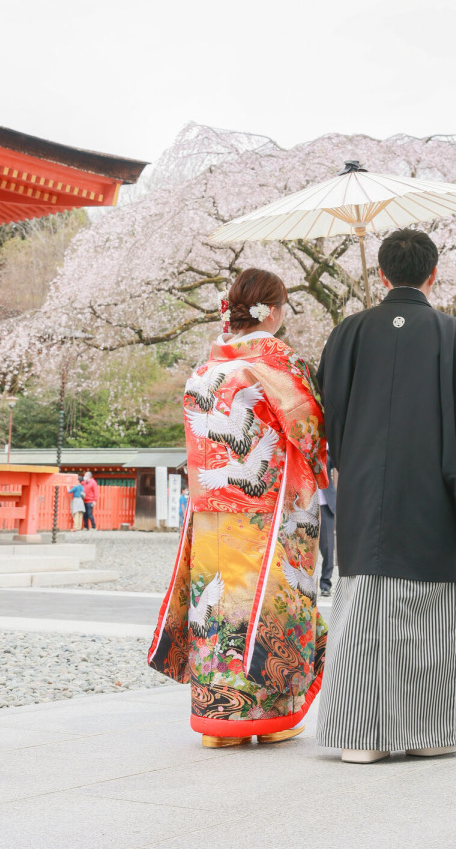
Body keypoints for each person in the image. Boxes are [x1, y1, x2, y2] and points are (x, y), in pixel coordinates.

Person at [316, 228, 456, 764]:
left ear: (381, 274)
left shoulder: (348, 333)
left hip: (364, 493)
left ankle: (361, 736)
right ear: (433, 273)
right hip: (435, 491)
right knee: (434, 609)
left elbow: (327, 410)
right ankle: (435, 731)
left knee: (363, 605)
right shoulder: (452, 334)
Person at [148, 267, 328, 748]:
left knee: (217, 605)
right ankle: (271, 719)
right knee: (268, 604)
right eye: (284, 306)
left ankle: (218, 721)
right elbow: (309, 428)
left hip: (210, 511)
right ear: (271, 311)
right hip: (268, 511)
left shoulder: (204, 371)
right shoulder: (278, 363)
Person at [318, 452, 336, 597]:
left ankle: (325, 583)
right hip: (303, 504)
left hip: (325, 505)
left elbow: (337, 463)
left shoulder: (328, 451)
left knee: (328, 547)